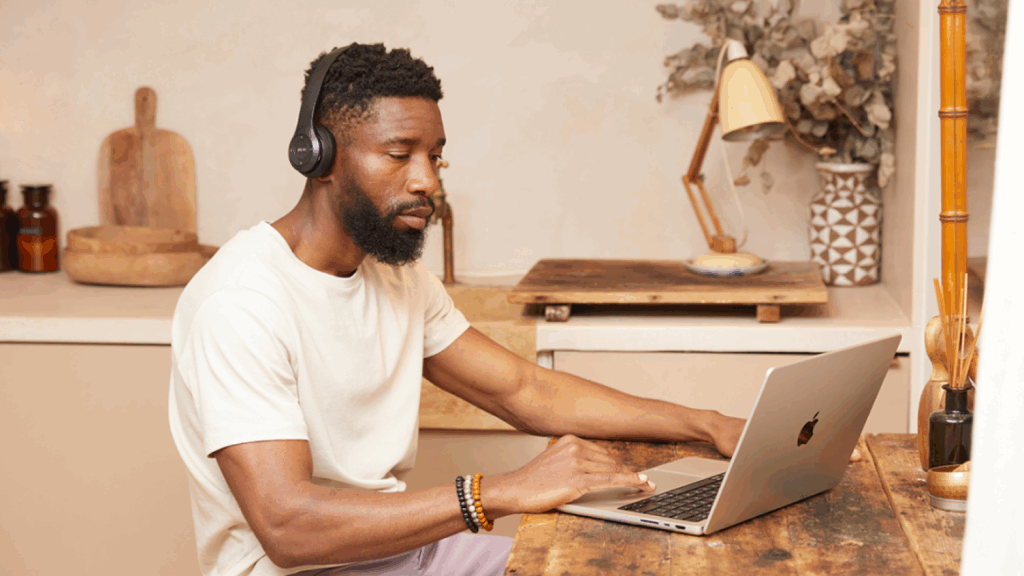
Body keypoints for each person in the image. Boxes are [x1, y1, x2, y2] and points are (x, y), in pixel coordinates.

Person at [168, 42, 745, 576]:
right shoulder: (241, 303)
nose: (426, 182)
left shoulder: (395, 276)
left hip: (403, 554)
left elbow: (522, 390)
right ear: (320, 155)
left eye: (435, 157)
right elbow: (289, 526)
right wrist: (497, 492)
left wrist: (709, 424)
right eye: (399, 154)